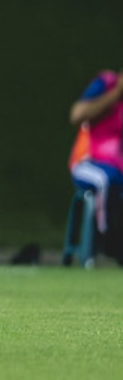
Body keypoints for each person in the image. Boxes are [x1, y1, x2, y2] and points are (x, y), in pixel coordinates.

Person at [69, 68, 123, 259]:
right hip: (87, 163)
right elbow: (77, 114)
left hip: (117, 168)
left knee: (113, 179)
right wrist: (115, 94)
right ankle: (106, 238)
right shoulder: (105, 83)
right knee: (104, 180)